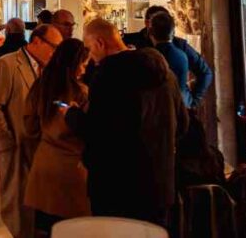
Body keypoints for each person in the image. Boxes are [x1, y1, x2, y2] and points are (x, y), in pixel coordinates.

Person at [65, 19, 188, 228]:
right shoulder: (166, 75)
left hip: (117, 186)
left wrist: (72, 114)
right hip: (159, 184)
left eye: (89, 48)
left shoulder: (109, 76)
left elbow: (99, 132)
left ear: (100, 43)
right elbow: (183, 124)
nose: (90, 57)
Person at [0, 23, 63, 237]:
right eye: (54, 47)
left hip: (34, 151)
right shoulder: (6, 64)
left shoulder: (47, 71)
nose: (55, 53)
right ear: (36, 41)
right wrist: (6, 141)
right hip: (12, 150)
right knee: (11, 208)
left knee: (29, 211)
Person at [23, 39, 91, 234]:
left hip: (44, 165)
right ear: (73, 64)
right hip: (73, 170)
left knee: (44, 228)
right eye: (83, 64)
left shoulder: (40, 87)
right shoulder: (81, 92)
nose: (84, 70)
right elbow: (88, 131)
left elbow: (29, 126)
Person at [124, 5, 213, 108]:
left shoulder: (180, 44)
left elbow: (205, 72)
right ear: (147, 23)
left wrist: (192, 101)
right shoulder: (130, 41)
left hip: (177, 107)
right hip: (144, 108)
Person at [148, 11, 192, 106]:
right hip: (180, 106)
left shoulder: (150, 58)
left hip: (159, 108)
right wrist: (192, 101)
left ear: (150, 32)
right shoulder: (182, 56)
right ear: (173, 31)